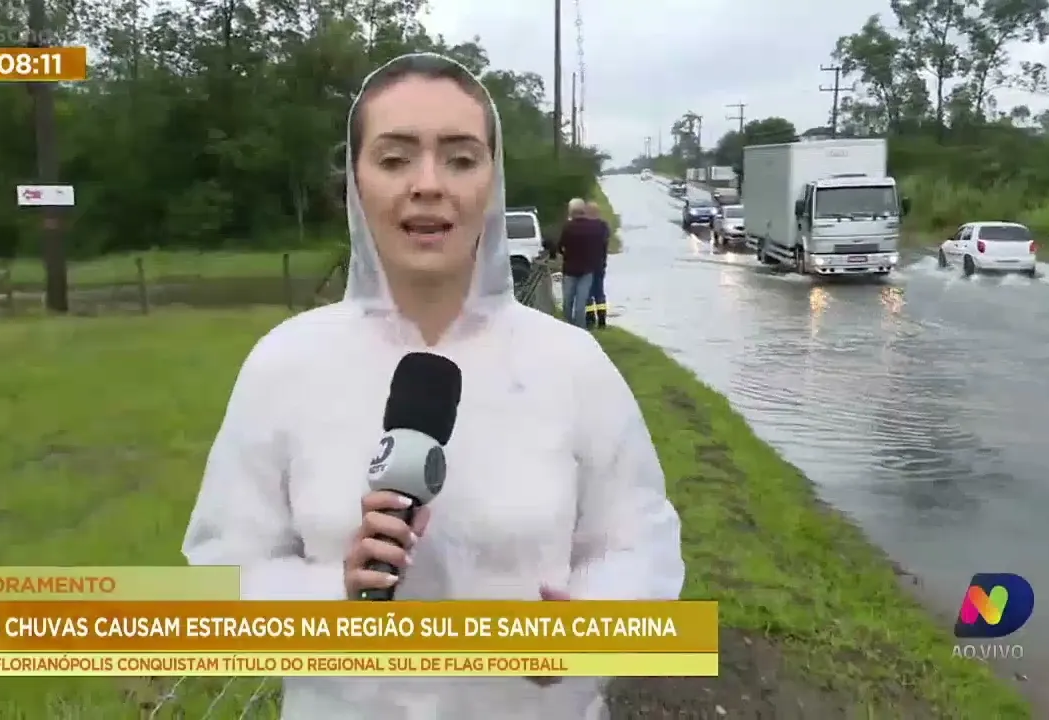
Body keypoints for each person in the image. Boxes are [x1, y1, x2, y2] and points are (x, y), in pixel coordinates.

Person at [181, 52, 683, 719]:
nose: (428, 184)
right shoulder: (284, 365)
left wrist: (579, 635)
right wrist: (335, 595)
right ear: (356, 186)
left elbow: (638, 547)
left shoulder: (574, 366)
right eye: (394, 159)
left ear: (492, 184)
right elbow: (222, 574)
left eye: (460, 157)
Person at [555, 198, 607, 327]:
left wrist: (564, 254)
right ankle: (595, 323)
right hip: (593, 266)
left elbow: (560, 246)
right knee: (589, 298)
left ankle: (577, 323)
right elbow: (603, 244)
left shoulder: (568, 227)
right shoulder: (599, 226)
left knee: (571, 300)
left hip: (573, 268)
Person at [583, 200, 609, 330]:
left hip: (586, 265)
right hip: (600, 264)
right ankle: (602, 320)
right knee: (600, 293)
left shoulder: (584, 226)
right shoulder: (603, 226)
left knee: (587, 294)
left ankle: (590, 319)